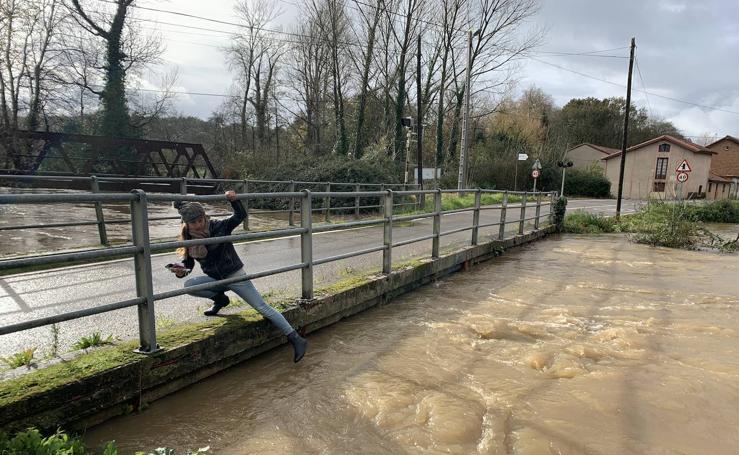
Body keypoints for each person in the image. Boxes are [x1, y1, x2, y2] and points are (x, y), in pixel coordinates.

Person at [169, 190, 307, 363]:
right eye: (193, 222)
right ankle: (220, 300)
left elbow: (240, 215)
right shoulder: (188, 238)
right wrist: (181, 271)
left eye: (200, 220)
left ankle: (296, 339)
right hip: (216, 279)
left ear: (205, 217)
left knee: (262, 307)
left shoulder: (219, 226)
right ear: (186, 223)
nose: (197, 225)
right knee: (189, 285)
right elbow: (188, 265)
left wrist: (234, 200)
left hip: (234, 275)